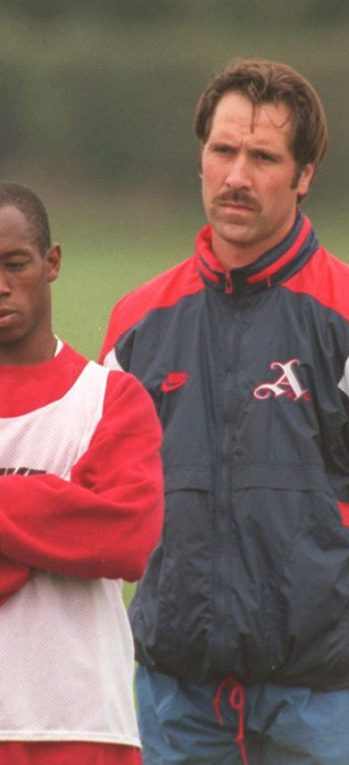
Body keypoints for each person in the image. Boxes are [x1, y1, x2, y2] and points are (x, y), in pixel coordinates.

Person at [99, 58, 349, 765]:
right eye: (222, 151)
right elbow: (101, 508)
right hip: (175, 703)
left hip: (337, 702)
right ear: (201, 157)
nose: (236, 177)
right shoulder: (136, 327)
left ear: (304, 174)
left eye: (263, 157)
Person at [0, 181, 164, 764]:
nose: (0, 285)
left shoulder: (111, 399)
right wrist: (56, 510)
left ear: (52, 263)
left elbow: (125, 538)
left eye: (14, 264)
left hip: (82, 722)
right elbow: (88, 529)